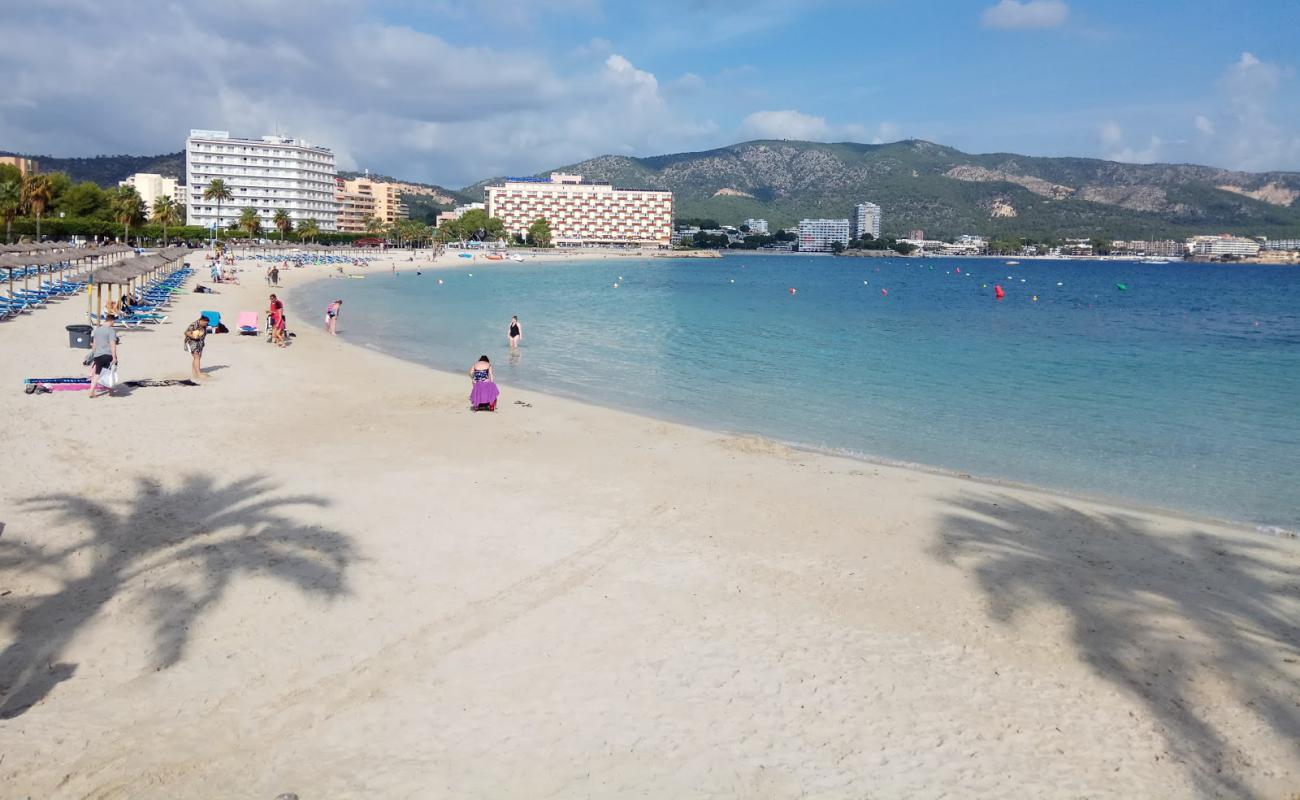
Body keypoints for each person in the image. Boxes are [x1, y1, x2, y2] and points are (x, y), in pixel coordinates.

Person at [88, 313, 119, 399]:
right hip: (107, 354)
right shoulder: (111, 331)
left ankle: (91, 391)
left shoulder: (97, 330)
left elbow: (94, 345)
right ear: (111, 321)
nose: (114, 323)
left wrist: (93, 355)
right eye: (114, 321)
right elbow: (113, 344)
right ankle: (111, 392)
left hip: (98, 355)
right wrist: (114, 357)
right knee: (110, 373)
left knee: (97, 373)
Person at [184, 315, 209, 380]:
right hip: (191, 342)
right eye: (205, 323)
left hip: (199, 342)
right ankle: (198, 373)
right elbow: (186, 332)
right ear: (201, 321)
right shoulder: (194, 324)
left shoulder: (204, 326)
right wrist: (194, 336)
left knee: (197, 357)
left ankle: (194, 373)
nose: (206, 324)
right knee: (197, 356)